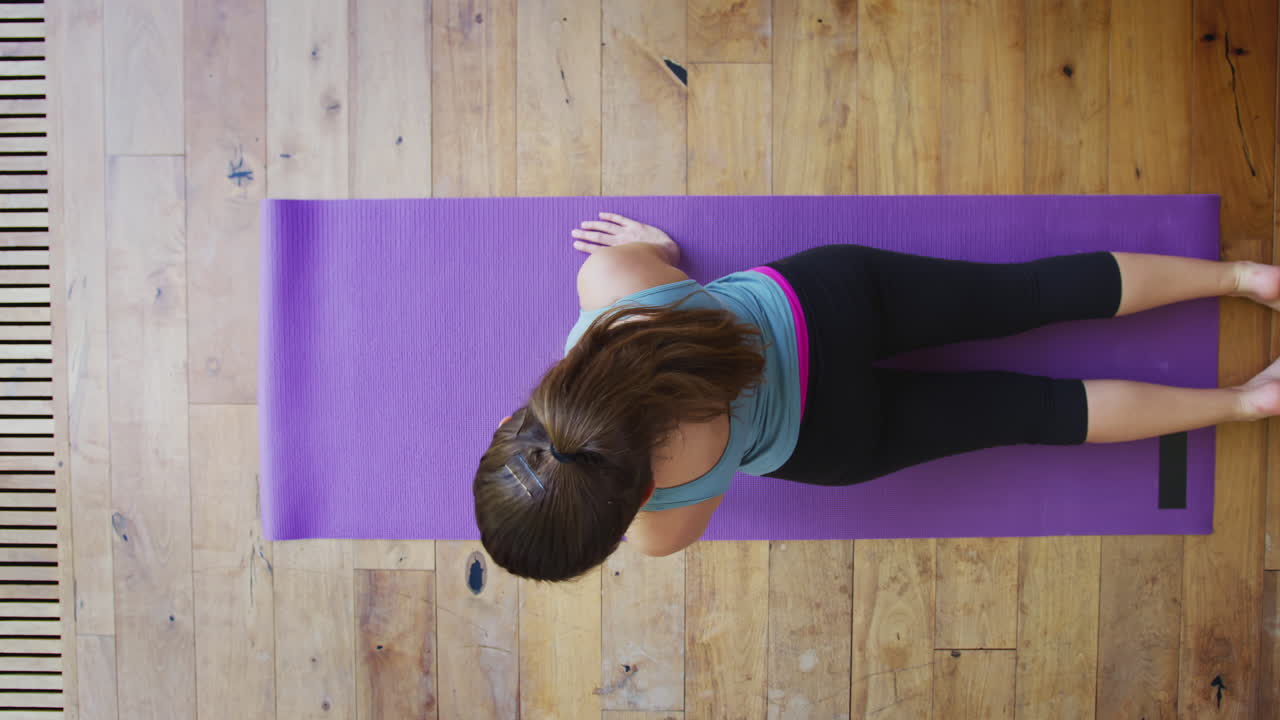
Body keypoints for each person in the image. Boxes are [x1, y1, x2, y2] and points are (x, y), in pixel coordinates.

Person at [473, 212, 1280, 582]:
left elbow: (675, 499)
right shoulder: (613, 290)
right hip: (832, 303)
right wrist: (652, 250)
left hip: (833, 436)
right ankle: (1247, 278)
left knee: (1038, 412)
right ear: (515, 419)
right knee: (1027, 293)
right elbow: (661, 264)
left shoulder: (658, 525)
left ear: (623, 509)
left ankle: (1248, 404)